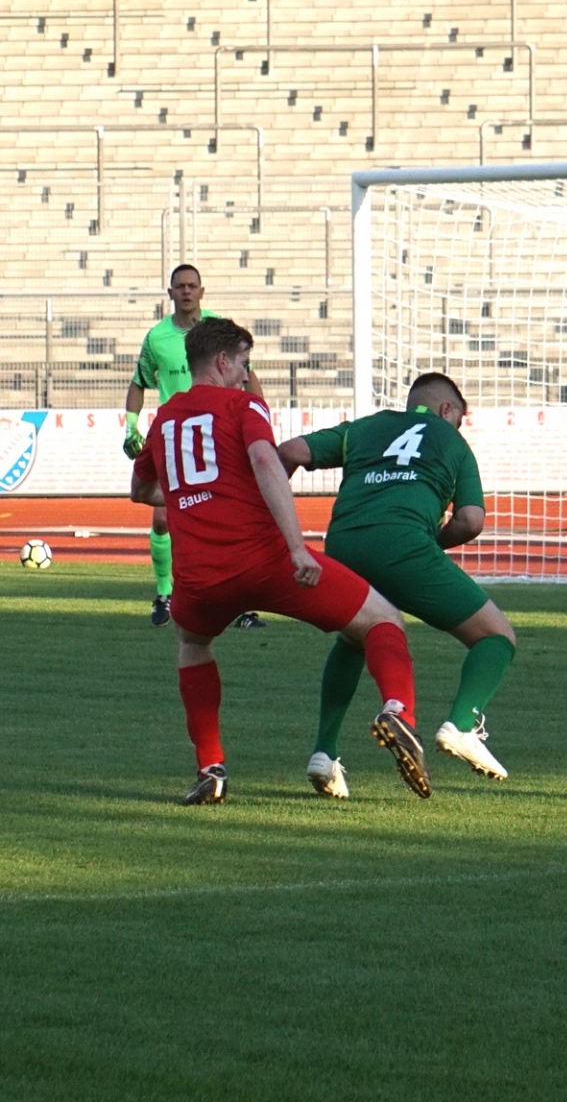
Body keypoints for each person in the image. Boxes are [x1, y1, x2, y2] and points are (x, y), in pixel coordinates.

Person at [131, 318, 430, 804]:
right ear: (223, 361)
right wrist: (296, 547)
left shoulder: (164, 420)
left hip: (199, 578)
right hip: (266, 562)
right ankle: (399, 712)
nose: (246, 375)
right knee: (382, 620)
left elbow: (141, 490)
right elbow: (266, 460)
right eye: (244, 364)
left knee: (192, 644)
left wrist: (194, 494)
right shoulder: (243, 404)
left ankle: (211, 767)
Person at [279, 372, 518, 797]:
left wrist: (275, 518)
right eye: (459, 419)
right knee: (496, 636)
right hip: (405, 543)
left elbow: (290, 451)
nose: (458, 426)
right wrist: (431, 545)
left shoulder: (365, 428)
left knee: (357, 636)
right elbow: (470, 520)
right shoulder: (452, 441)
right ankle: (462, 725)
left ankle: (324, 754)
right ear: (446, 409)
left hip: (344, 544)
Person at [123, 263, 265, 630]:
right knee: (163, 517)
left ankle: (240, 603)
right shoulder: (157, 338)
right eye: (180, 286)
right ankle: (164, 593)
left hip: (219, 432)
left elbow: (247, 374)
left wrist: (260, 415)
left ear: (202, 291)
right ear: (170, 293)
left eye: (192, 285)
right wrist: (131, 425)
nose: (186, 291)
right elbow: (139, 381)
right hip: (176, 434)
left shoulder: (219, 330)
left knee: (228, 514)